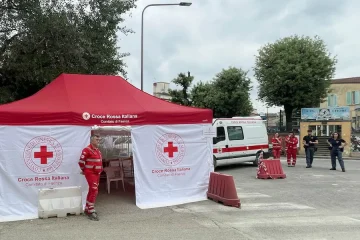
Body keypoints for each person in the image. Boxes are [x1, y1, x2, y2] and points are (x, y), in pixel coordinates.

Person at [78, 134, 103, 221]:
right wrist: (84, 170)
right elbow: (81, 162)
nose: (98, 141)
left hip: (97, 174)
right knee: (94, 190)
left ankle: (87, 208)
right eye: (97, 139)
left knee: (92, 190)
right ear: (92, 140)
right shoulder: (87, 150)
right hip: (91, 173)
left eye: (99, 140)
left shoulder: (97, 151)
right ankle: (91, 209)